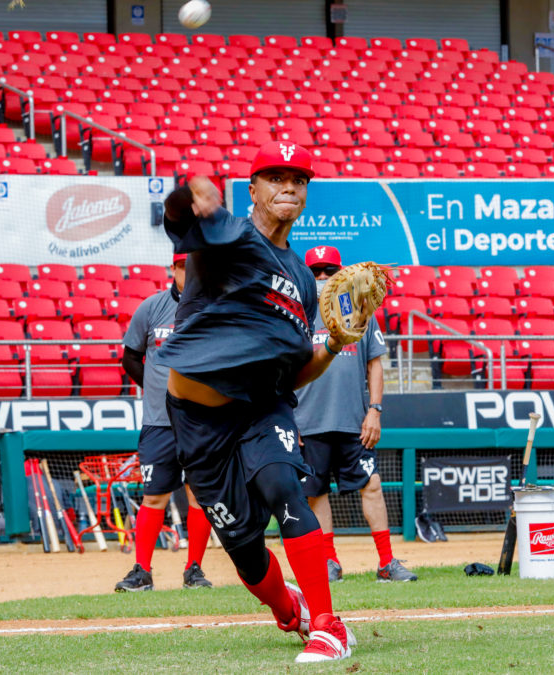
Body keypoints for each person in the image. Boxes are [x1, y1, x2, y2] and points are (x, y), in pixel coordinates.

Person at [155, 141, 356, 663]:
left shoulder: (303, 281)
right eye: (274, 177)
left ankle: (329, 625)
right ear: (253, 189)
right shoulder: (231, 237)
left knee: (283, 486)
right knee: (244, 551)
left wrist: (331, 346)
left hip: (262, 405)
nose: (287, 185)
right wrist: (191, 191)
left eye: (297, 178)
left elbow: (296, 370)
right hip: (197, 417)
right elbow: (180, 215)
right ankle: (290, 610)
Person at [294, 246, 416, 584]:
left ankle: (387, 563)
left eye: (328, 271)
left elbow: (374, 363)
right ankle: (329, 561)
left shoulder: (360, 309)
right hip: (307, 421)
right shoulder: (296, 312)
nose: (322, 278)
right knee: (315, 493)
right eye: (316, 272)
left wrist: (374, 410)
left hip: (353, 421)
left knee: (372, 485)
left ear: (342, 274)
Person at [115, 253, 215, 592]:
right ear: (172, 269)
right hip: (159, 422)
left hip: (201, 420)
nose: (189, 272)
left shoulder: (214, 307)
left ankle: (194, 569)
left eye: (195, 266)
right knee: (153, 495)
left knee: (199, 496)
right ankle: (142, 570)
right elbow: (130, 357)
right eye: (183, 266)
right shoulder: (151, 307)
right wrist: (157, 389)